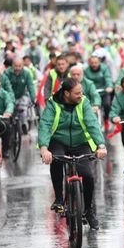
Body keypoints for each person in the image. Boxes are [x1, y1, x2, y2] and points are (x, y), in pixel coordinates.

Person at [38, 78, 107, 230]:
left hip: (80, 142)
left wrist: (100, 145)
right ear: (66, 93)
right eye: (77, 93)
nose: (80, 95)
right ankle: (59, 198)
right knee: (56, 160)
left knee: (87, 175)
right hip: (58, 141)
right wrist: (44, 148)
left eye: (81, 92)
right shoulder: (53, 103)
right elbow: (45, 125)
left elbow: (92, 123)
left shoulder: (84, 102)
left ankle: (88, 210)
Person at [4, 57, 36, 134]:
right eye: (15, 66)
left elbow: (30, 86)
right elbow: (5, 86)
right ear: (12, 65)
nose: (17, 68)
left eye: (20, 66)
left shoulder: (26, 73)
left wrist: (33, 99)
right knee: (9, 110)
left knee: (23, 108)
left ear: (23, 65)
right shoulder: (7, 73)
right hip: (10, 95)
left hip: (22, 95)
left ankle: (24, 124)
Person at [84, 55, 115, 130]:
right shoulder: (86, 71)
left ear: (99, 62)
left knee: (107, 104)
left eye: (96, 62)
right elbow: (85, 82)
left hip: (103, 91)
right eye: (92, 63)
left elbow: (108, 78)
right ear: (89, 63)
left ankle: (106, 119)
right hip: (93, 93)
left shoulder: (104, 68)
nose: (94, 65)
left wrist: (109, 86)